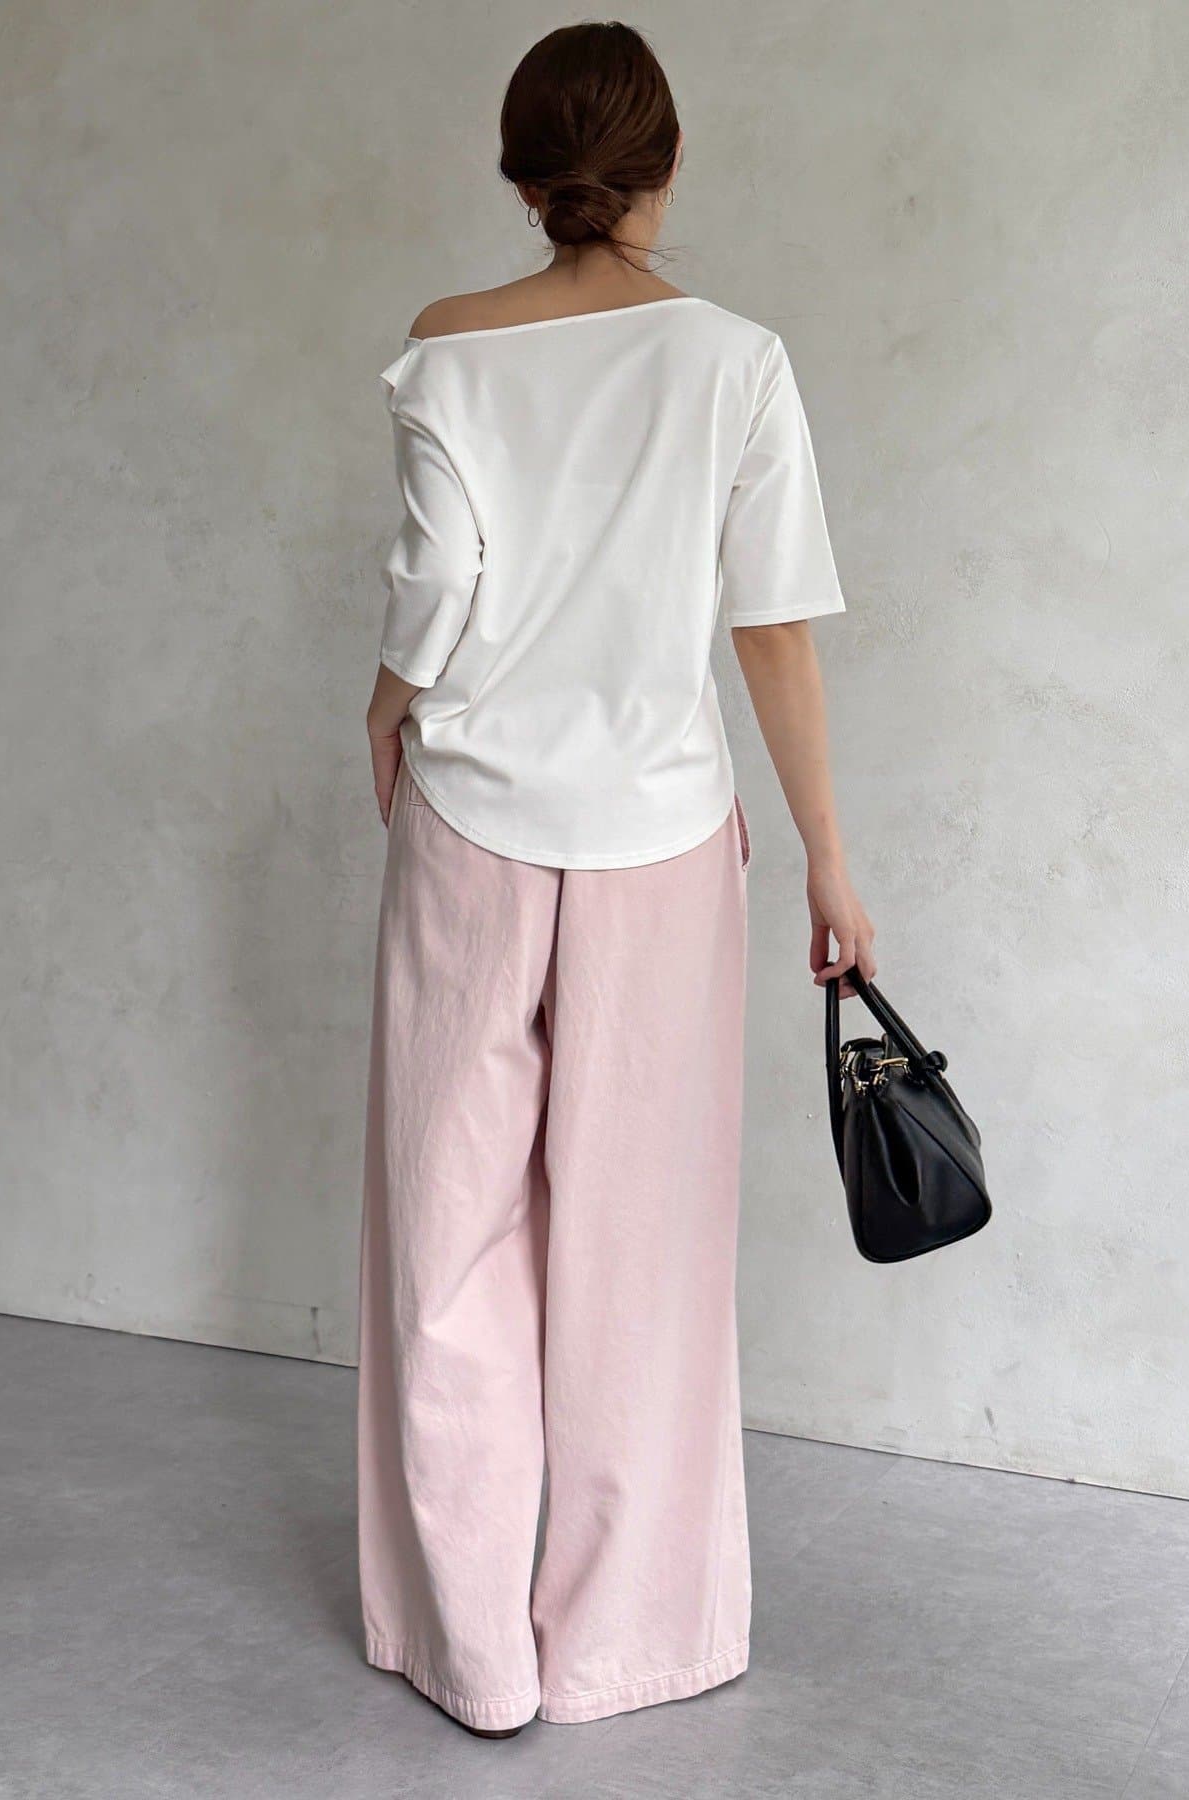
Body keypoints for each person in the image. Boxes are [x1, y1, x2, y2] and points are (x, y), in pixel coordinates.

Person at [357, 19, 876, 1738]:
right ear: (666, 166)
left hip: (471, 826)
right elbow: (773, 631)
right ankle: (622, 1643)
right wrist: (829, 856)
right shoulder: (738, 361)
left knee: (450, 1236)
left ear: (523, 177)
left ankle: (477, 1654)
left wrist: (386, 706)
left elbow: (439, 586)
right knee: (643, 1250)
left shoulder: (447, 348)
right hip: (663, 838)